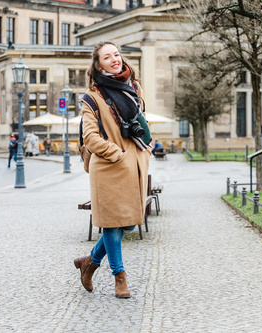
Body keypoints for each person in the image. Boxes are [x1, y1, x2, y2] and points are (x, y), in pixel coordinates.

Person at [74, 41, 152, 298]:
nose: (115, 59)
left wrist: (146, 148)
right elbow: (90, 137)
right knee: (111, 225)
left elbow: (142, 120)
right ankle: (120, 278)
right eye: (107, 57)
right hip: (109, 167)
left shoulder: (134, 87)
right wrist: (116, 153)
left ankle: (90, 263)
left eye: (116, 54)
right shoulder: (91, 98)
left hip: (135, 165)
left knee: (128, 225)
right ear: (98, 64)